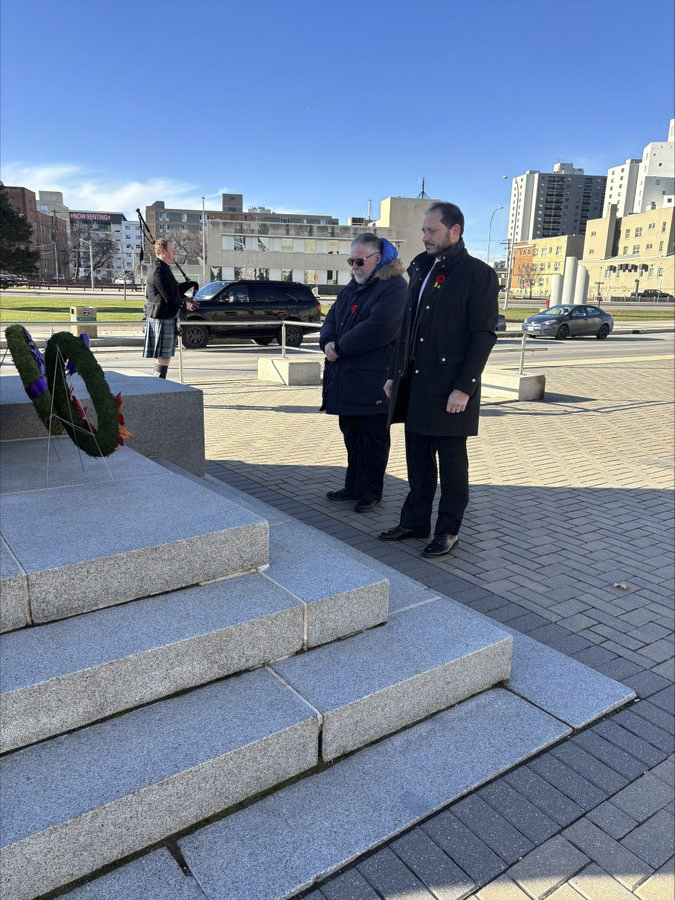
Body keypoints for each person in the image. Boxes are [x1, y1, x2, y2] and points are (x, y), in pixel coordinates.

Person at [379, 202, 498, 555]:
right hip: (414, 383)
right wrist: (393, 374)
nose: (425, 237)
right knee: (417, 460)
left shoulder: (478, 274)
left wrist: (464, 388)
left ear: (455, 231)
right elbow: (406, 328)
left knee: (451, 464)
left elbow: (483, 335)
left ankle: (448, 530)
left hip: (450, 388)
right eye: (423, 230)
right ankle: (415, 522)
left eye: (432, 230)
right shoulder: (420, 266)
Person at [320, 233, 407, 512]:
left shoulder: (394, 287)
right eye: (351, 261)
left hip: (373, 381)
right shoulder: (354, 286)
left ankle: (371, 492)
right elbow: (332, 316)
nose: (354, 267)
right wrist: (327, 341)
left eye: (359, 261)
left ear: (377, 259)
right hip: (347, 379)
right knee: (352, 436)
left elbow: (380, 328)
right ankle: (353, 486)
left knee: (372, 440)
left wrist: (340, 347)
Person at [143, 239, 198, 378]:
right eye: (172, 251)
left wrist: (189, 287)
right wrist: (185, 304)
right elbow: (169, 297)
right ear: (162, 251)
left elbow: (173, 291)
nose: (174, 254)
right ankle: (159, 385)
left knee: (163, 357)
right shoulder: (159, 270)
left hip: (164, 316)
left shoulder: (162, 268)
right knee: (164, 357)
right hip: (162, 317)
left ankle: (159, 383)